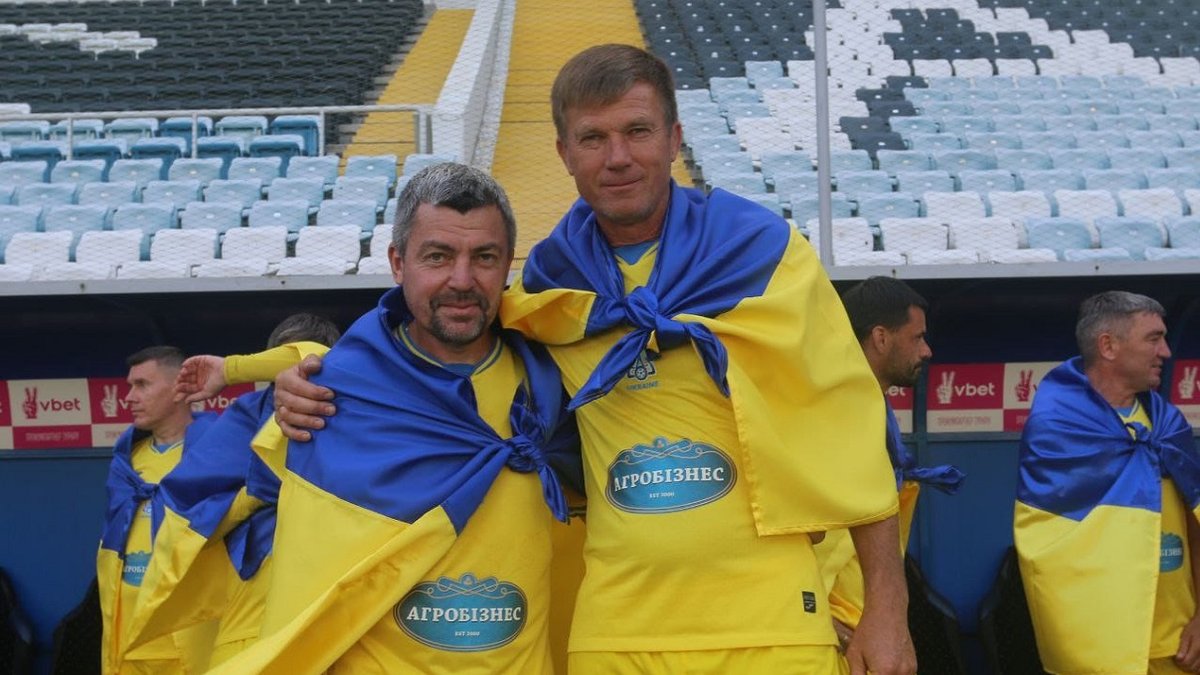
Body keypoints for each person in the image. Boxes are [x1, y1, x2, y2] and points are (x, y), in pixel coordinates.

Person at [277, 44, 914, 675]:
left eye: (637, 131)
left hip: (771, 627)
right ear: (563, 153)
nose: (617, 157)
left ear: (674, 138)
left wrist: (887, 609)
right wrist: (304, 378)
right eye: (592, 138)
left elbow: (850, 434)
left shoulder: (763, 256)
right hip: (613, 637)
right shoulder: (549, 285)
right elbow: (431, 356)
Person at [216, 162, 579, 674]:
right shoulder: (331, 395)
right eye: (437, 256)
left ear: (507, 266)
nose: (461, 280)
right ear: (397, 262)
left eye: (484, 257)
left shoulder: (556, 381)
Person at [122, 313, 341, 668]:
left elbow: (314, 357)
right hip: (251, 611)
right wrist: (253, 497)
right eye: (284, 367)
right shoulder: (248, 417)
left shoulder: (349, 413)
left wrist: (229, 370)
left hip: (328, 612)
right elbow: (185, 521)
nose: (302, 379)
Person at [1015, 291, 1200, 674]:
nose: (1165, 351)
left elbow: (1196, 523)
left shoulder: (1168, 426)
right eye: (1153, 338)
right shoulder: (1058, 427)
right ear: (1108, 346)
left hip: (1176, 645)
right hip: (1095, 646)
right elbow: (1046, 544)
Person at [825, 277, 964, 651]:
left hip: (863, 626)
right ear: (881, 338)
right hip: (839, 636)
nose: (927, 350)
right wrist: (819, 620)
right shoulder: (836, 415)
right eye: (917, 337)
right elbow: (815, 530)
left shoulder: (869, 409)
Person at [97, 346, 217, 674]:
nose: (129, 397)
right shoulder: (126, 461)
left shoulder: (215, 456)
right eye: (130, 386)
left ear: (179, 388)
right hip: (128, 633)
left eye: (142, 385)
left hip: (187, 633)